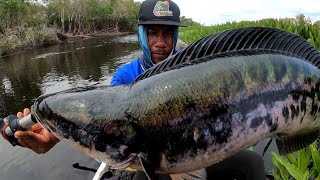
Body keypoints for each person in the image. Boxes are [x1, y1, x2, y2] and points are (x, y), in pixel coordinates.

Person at [6, 0, 266, 179]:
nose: (161, 43)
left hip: (201, 152)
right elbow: (106, 121)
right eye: (153, 33)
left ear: (176, 36)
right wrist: (52, 136)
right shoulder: (125, 76)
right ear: (142, 34)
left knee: (252, 164)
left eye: (168, 34)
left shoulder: (196, 68)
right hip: (155, 163)